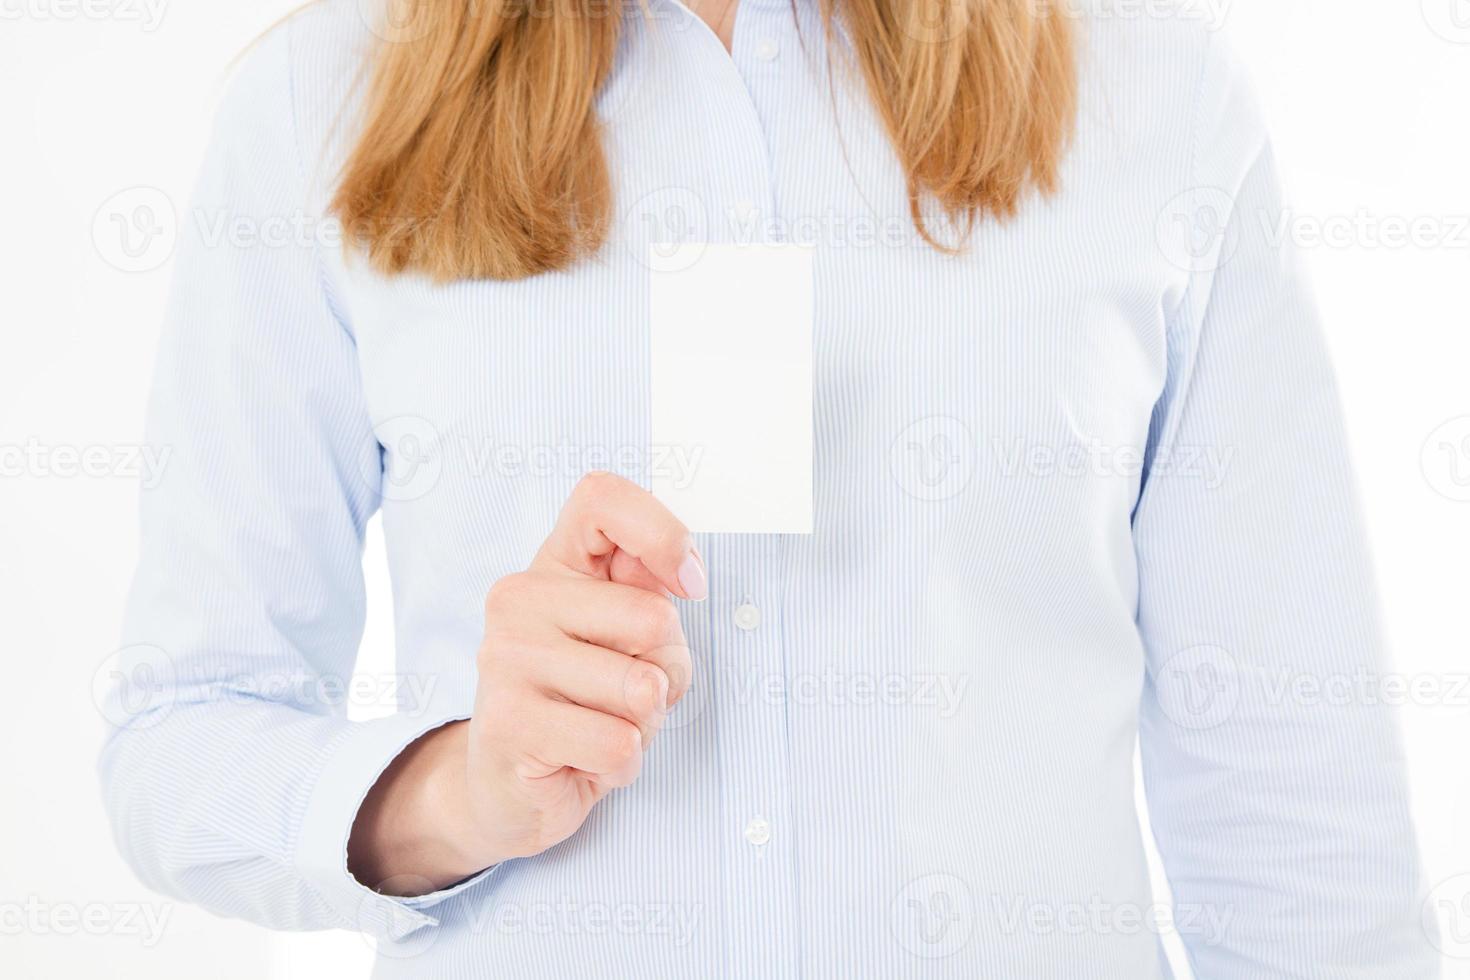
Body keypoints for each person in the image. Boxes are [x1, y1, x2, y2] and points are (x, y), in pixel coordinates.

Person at [99, 0, 1437, 975]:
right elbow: (184, 731)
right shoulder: (318, 108)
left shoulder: (1157, 96)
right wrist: (454, 791)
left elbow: (1299, 833)